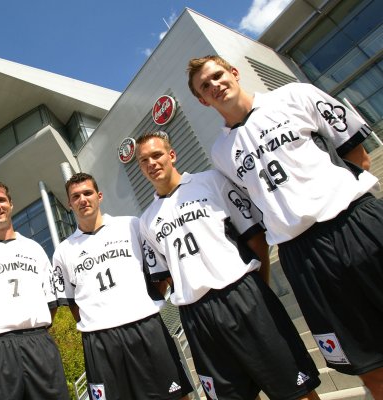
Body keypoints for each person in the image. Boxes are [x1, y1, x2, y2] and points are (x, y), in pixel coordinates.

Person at [187, 55, 383, 398]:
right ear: (202, 100)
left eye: (217, 75)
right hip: (304, 255)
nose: (214, 85)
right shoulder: (221, 153)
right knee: (369, 366)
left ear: (234, 72)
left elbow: (358, 155)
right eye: (205, 86)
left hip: (355, 222)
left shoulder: (294, 95)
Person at [135, 132, 321, 400]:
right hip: (197, 316)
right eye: (144, 160)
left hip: (242, 295)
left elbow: (255, 238)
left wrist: (257, 288)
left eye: (156, 155)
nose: (151, 163)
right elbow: (168, 275)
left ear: (171, 155)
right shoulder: (146, 221)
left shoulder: (211, 181)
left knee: (296, 390)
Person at [52, 172, 193, 400]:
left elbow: (158, 272)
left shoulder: (131, 225)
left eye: (87, 193)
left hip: (145, 327)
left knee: (176, 396)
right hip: (100, 341)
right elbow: (72, 303)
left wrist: (145, 303)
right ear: (69, 204)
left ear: (99, 196)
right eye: (76, 196)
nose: (82, 200)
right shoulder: (62, 251)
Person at [0, 181, 69, 400]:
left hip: (37, 344)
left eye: (1, 200)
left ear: (11, 204)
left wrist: (31, 330)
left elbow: (51, 303)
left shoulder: (34, 249)